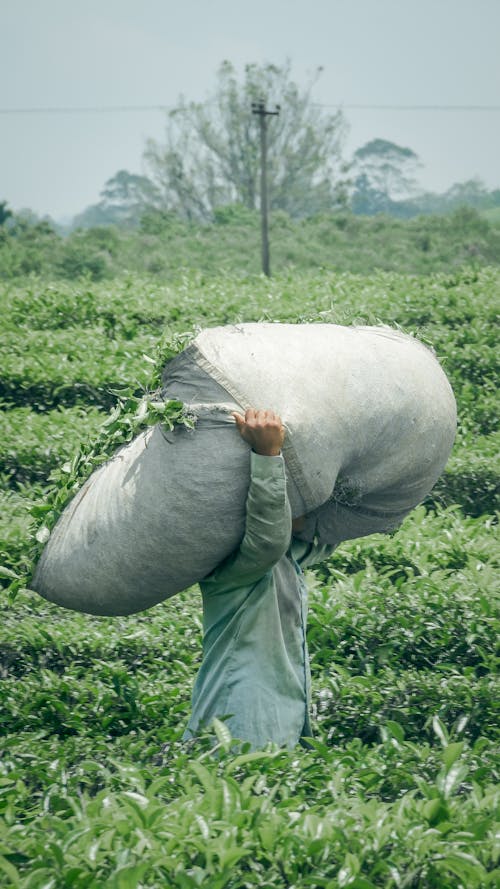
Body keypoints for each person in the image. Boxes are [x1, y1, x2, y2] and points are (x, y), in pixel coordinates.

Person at [183, 407, 335, 749]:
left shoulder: (289, 561)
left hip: (279, 737)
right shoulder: (230, 570)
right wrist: (267, 455)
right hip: (235, 736)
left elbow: (321, 539)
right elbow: (268, 539)